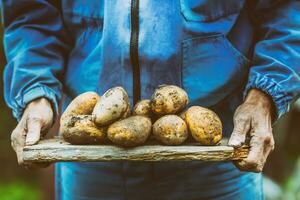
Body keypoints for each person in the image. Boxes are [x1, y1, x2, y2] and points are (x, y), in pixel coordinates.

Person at [2, 0, 300, 199]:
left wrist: (264, 94)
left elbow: (288, 10)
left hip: (218, 153)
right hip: (91, 156)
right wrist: (35, 92)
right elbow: (31, 13)